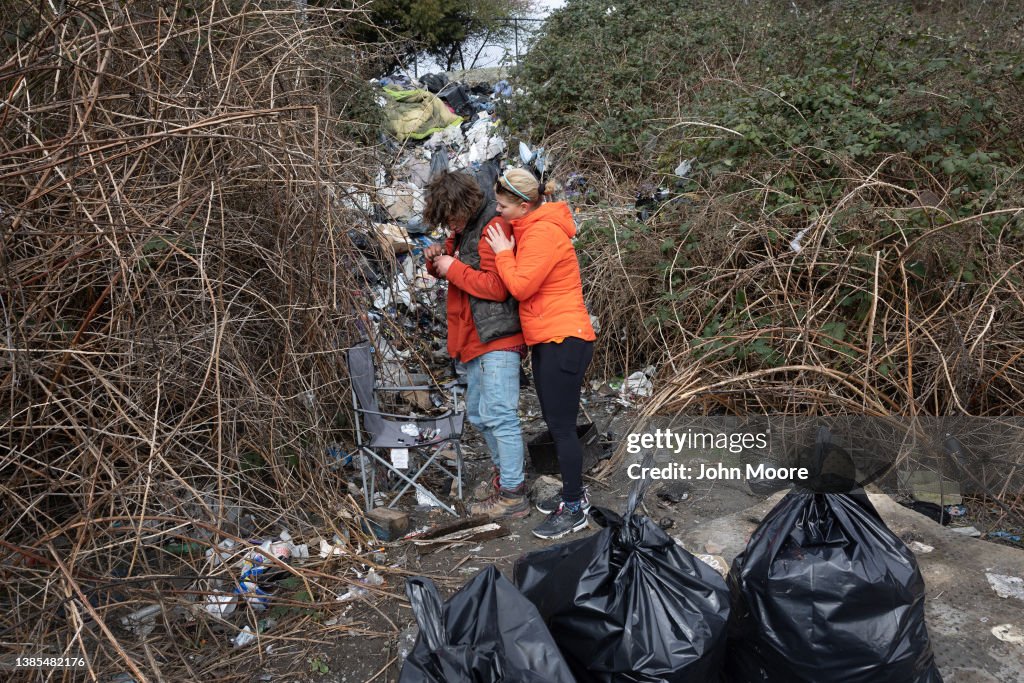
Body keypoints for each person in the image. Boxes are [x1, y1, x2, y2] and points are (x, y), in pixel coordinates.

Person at [484, 167, 597, 540]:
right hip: (552, 338)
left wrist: (503, 253)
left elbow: (519, 285)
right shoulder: (532, 229)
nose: (498, 211)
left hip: (562, 338)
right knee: (556, 424)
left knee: (562, 429)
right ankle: (573, 494)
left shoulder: (544, 233)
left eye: (503, 205)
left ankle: (575, 507)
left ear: (523, 204)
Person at [423, 170, 529, 519]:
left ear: (464, 204)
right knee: (482, 415)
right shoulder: (465, 229)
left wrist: (451, 266)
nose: (449, 224)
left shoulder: (492, 227)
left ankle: (513, 494)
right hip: (473, 339)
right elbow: (460, 270)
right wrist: (438, 259)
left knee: (499, 415)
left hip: (497, 338)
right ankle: (506, 478)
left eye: (451, 216)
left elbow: (497, 288)